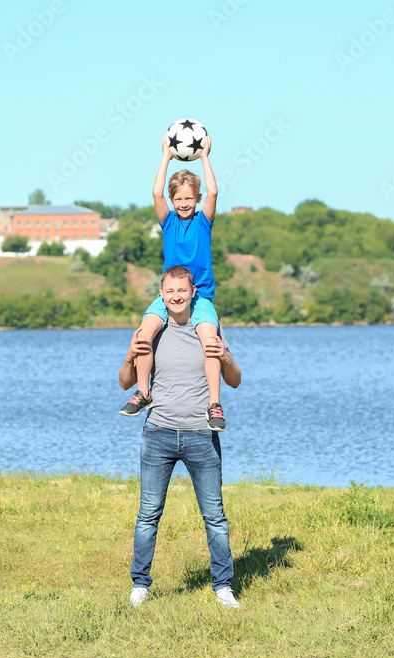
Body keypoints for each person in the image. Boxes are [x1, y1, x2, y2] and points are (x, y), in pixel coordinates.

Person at [118, 265, 242, 609]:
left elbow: (235, 379)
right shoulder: (151, 330)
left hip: (202, 434)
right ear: (161, 294)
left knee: (214, 515)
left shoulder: (208, 329)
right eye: (170, 291)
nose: (176, 296)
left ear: (192, 293)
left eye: (182, 291)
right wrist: (129, 354)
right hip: (157, 432)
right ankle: (140, 585)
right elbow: (124, 381)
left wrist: (226, 355)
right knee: (148, 514)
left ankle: (223, 587)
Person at [119, 133, 227, 432]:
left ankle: (214, 405)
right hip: (169, 295)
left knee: (210, 342)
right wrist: (165, 156)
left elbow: (215, 192)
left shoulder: (203, 221)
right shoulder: (167, 222)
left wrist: (204, 156)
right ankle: (142, 391)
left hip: (200, 295)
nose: (183, 203)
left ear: (197, 199)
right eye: (178, 198)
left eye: (189, 198)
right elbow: (155, 193)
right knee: (144, 334)